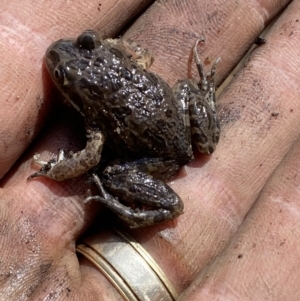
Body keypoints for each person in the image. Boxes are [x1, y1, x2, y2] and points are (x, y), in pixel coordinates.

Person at [1, 0, 299, 299]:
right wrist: (114, 46)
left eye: (87, 43)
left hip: (158, 159)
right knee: (184, 89)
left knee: (112, 172)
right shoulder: (125, 70)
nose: (62, 50)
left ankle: (156, 208)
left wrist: (55, 171)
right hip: (173, 121)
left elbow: (91, 156)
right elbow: (145, 55)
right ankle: (204, 94)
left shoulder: (95, 119)